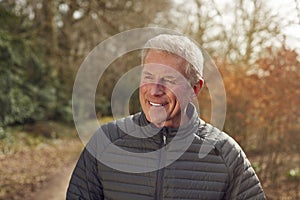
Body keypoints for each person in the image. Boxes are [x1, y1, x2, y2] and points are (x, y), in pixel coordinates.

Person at [67, 34, 266, 199]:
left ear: (194, 88)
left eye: (169, 80)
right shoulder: (106, 141)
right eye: (148, 77)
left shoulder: (225, 154)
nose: (154, 90)